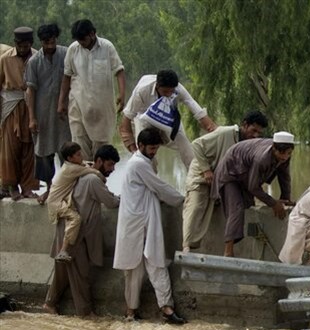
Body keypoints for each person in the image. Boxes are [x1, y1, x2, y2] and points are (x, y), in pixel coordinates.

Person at [113, 128, 186, 324]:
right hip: (136, 222)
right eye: (152, 148)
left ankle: (166, 308)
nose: (154, 152)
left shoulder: (146, 161)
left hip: (145, 219)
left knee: (157, 263)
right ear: (140, 146)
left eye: (156, 149)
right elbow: (160, 187)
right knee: (133, 270)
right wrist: (184, 200)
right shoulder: (138, 164)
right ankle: (131, 311)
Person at [42, 144, 120, 317]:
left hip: (66, 227)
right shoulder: (92, 179)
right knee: (81, 275)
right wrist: (124, 199)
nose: (113, 169)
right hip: (75, 234)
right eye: (110, 165)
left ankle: (50, 304)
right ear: (99, 161)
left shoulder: (82, 172)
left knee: (62, 272)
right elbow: (111, 202)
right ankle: (85, 314)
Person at [181, 110, 268, 252]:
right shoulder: (225, 133)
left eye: (259, 133)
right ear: (244, 125)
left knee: (239, 205)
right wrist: (206, 170)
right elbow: (196, 144)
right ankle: (186, 247)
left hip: (221, 179)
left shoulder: (250, 143)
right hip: (202, 176)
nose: (255, 135)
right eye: (253, 130)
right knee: (196, 206)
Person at [212, 131, 294, 257]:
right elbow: (253, 187)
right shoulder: (261, 158)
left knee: (249, 206)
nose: (284, 157)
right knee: (236, 208)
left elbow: (284, 177)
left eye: (288, 154)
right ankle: (228, 252)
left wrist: (285, 198)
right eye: (281, 153)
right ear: (273, 148)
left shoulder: (285, 157)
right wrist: (273, 203)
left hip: (245, 171)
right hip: (231, 172)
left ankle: (248, 251)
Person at [119, 69, 217, 168]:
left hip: (169, 119)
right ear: (157, 86)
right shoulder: (142, 90)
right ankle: (148, 178)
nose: (169, 94)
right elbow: (126, 121)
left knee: (188, 150)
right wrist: (134, 150)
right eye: (165, 91)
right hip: (145, 119)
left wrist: (214, 129)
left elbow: (196, 109)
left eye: (171, 91)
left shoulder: (178, 89)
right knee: (145, 158)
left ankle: (197, 176)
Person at [58, 20, 125, 162]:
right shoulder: (73, 49)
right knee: (80, 147)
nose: (81, 43)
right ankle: (84, 181)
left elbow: (119, 70)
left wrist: (122, 94)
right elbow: (67, 76)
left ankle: (98, 182)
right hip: (78, 105)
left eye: (83, 39)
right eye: (78, 40)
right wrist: (61, 102)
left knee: (101, 152)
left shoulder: (107, 47)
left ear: (92, 34)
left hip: (102, 108)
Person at [25, 23, 70, 204]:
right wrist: (32, 118)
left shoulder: (66, 54)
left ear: (56, 39)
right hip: (42, 114)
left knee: (67, 151)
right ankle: (50, 189)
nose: (50, 46)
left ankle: (68, 190)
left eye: (52, 42)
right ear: (41, 42)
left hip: (64, 114)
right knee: (43, 152)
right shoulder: (34, 62)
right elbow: (30, 90)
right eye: (46, 43)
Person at [44, 141, 102, 262]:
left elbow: (85, 165)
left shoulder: (70, 166)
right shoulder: (71, 169)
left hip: (57, 200)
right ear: (69, 158)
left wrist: (90, 164)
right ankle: (63, 251)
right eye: (78, 155)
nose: (81, 157)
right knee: (75, 218)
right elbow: (93, 172)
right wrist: (101, 176)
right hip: (57, 203)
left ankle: (63, 251)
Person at [0, 27, 38, 200]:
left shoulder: (37, 56)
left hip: (32, 107)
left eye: (26, 45)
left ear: (31, 44)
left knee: (30, 148)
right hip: (11, 107)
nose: (23, 48)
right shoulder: (5, 59)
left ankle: (28, 187)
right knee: (10, 148)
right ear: (16, 44)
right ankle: (11, 185)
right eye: (20, 45)